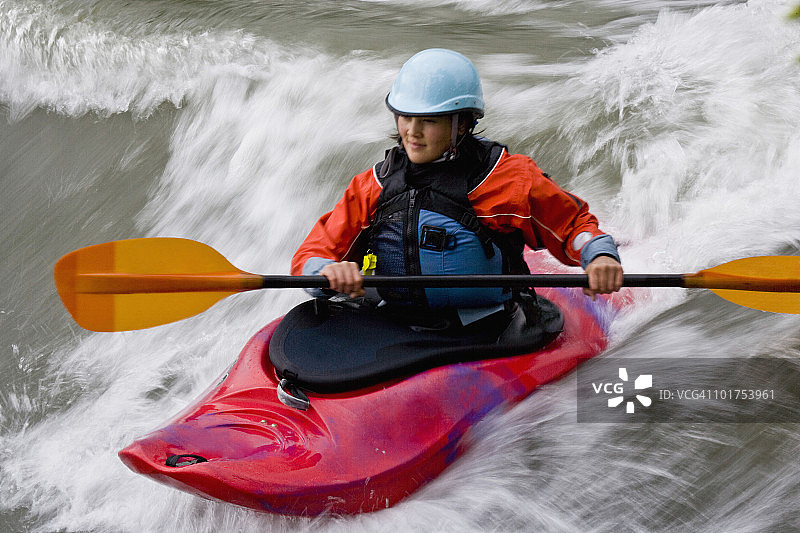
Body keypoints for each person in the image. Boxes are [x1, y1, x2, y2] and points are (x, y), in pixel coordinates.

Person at [292, 48, 623, 339]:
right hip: (393, 323)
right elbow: (311, 254)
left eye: (429, 120)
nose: (412, 131)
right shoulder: (373, 186)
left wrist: (600, 255)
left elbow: (573, 224)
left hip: (486, 326)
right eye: (406, 116)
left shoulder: (508, 180)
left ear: (462, 124)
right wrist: (324, 271)